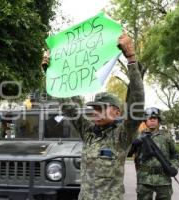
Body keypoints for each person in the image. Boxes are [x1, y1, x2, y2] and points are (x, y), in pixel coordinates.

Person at [60, 33, 145, 200]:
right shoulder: (88, 131)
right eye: (94, 108)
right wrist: (52, 75)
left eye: (101, 108)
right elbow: (69, 108)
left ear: (116, 112)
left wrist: (132, 60)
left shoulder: (122, 135)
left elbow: (137, 104)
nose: (95, 112)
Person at [131, 107, 179, 200]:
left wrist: (174, 167)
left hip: (164, 177)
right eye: (150, 118)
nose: (152, 120)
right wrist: (133, 144)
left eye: (155, 118)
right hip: (144, 178)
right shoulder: (138, 136)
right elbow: (126, 153)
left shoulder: (167, 136)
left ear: (159, 121)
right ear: (145, 120)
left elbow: (175, 154)